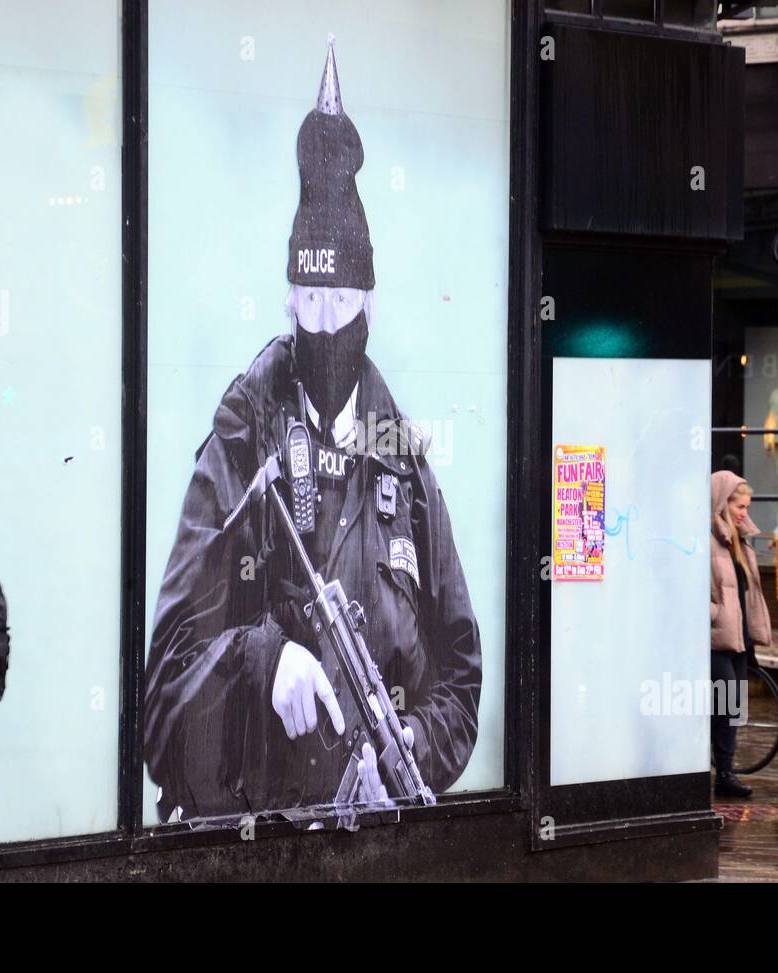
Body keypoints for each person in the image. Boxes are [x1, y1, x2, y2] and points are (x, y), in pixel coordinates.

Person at [144, 37, 482, 824]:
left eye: (341, 300)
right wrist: (263, 661)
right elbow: (162, 690)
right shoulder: (240, 444)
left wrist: (403, 750)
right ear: (288, 300)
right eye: (309, 298)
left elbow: (461, 677)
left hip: (376, 836)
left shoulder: (404, 465)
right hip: (252, 838)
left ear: (371, 305)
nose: (325, 320)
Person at [709, 472, 771, 798]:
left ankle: (724, 772)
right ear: (721, 502)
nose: (744, 513)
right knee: (722, 706)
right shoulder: (705, 540)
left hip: (737, 639)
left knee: (732, 708)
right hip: (714, 640)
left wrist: (750, 637)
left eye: (747, 506)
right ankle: (723, 772)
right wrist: (715, 613)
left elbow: (748, 593)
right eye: (738, 505)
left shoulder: (740, 541)